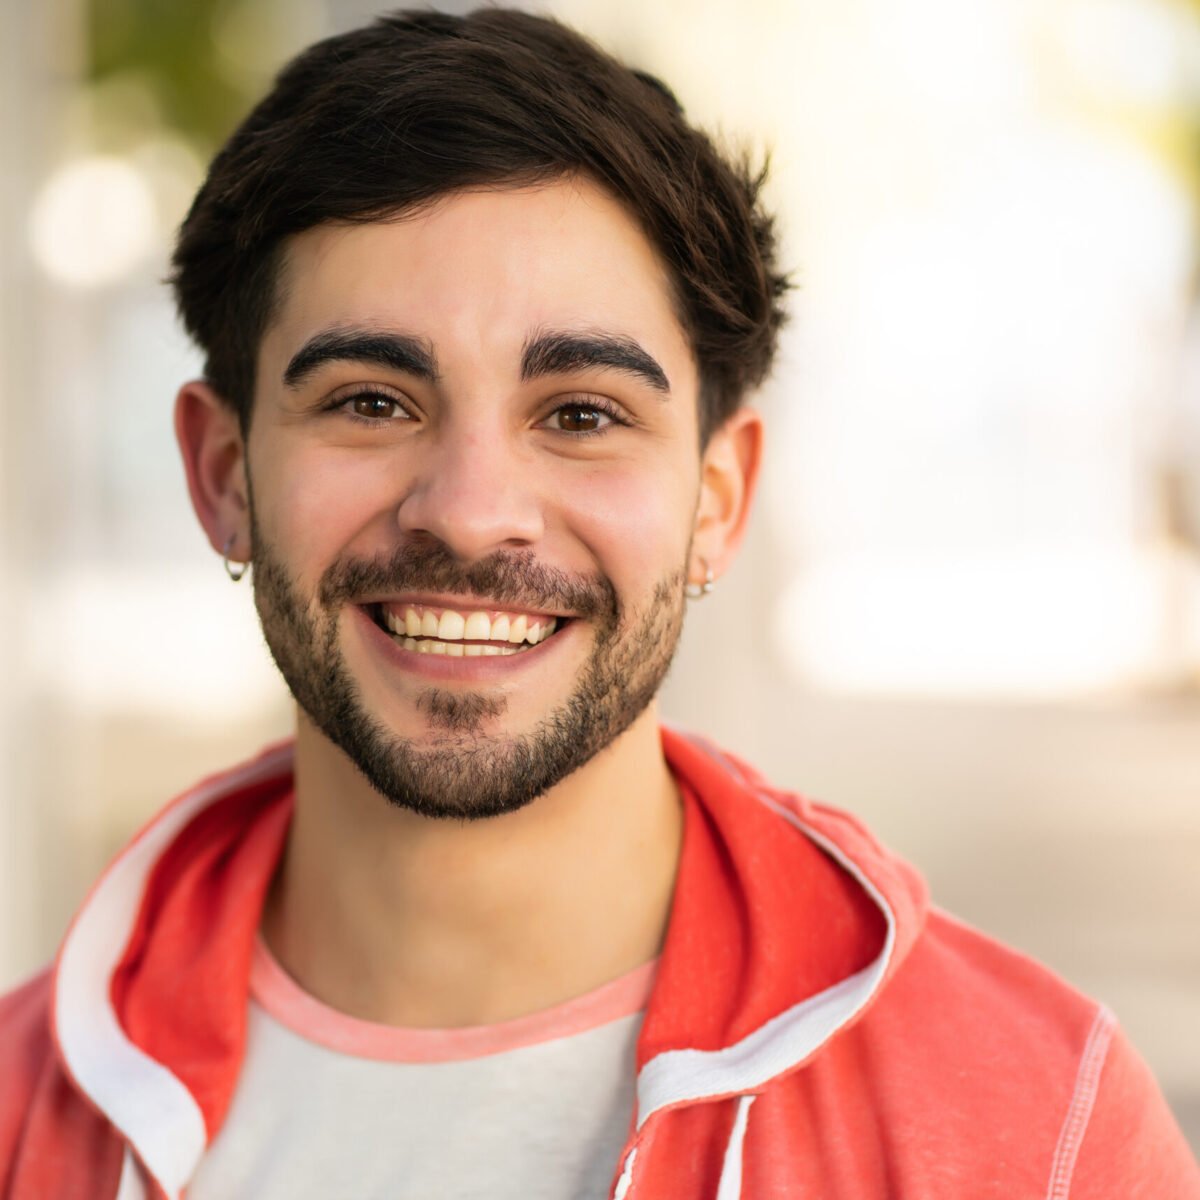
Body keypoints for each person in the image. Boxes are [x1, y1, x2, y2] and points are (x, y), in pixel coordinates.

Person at [2, 8, 1197, 1199]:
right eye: (371, 402)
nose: (469, 512)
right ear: (224, 477)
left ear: (717, 502)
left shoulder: (1041, 1131)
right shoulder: (15, 1112)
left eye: (580, 414)